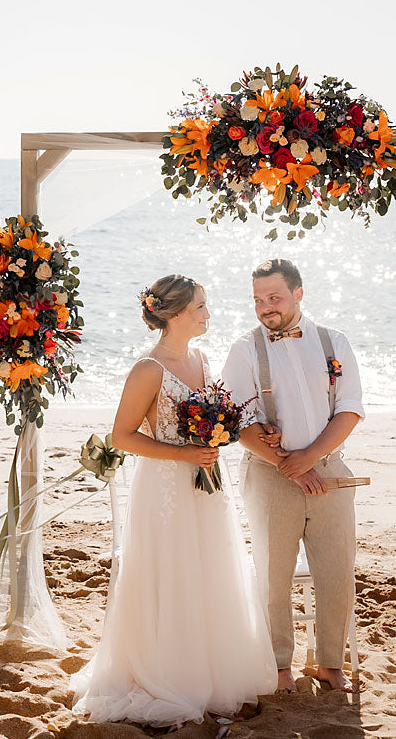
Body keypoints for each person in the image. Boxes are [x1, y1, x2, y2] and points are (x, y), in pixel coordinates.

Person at [71, 274, 276, 728]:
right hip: (164, 489)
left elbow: (220, 416)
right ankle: (165, 674)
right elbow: (123, 436)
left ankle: (210, 674)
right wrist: (184, 452)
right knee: (170, 573)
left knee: (209, 570)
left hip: (205, 483)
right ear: (177, 313)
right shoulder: (148, 368)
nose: (207, 314)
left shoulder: (201, 358)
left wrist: (225, 436)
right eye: (201, 307)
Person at [222, 258, 364, 693]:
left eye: (275, 297)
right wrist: (289, 464)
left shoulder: (332, 341)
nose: (266, 307)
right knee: (273, 572)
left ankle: (330, 663)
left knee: (337, 569)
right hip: (269, 473)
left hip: (330, 469)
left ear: (298, 293)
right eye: (259, 300)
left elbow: (350, 408)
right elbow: (236, 423)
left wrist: (310, 459)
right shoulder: (245, 349)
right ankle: (279, 665)